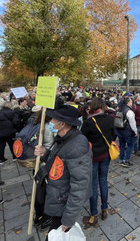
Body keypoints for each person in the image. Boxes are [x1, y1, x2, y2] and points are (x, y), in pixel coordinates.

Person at [34, 104, 92, 240]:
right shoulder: (63, 138)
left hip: (63, 202)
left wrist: (68, 218)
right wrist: (45, 153)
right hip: (58, 196)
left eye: (53, 120)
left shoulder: (77, 145)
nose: (50, 122)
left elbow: (80, 185)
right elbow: (60, 161)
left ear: (62, 124)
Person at [81, 98, 114, 224]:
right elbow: (113, 135)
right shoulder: (109, 119)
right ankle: (104, 209)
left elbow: (82, 140)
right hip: (105, 155)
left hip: (93, 157)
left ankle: (94, 214)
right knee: (103, 181)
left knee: (93, 184)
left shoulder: (88, 122)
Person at [115, 96, 137, 167]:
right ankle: (125, 160)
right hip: (127, 131)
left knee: (122, 145)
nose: (132, 102)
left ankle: (121, 159)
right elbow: (132, 123)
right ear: (128, 102)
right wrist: (135, 131)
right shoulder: (129, 111)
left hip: (119, 130)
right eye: (131, 101)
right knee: (130, 145)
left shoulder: (119, 109)